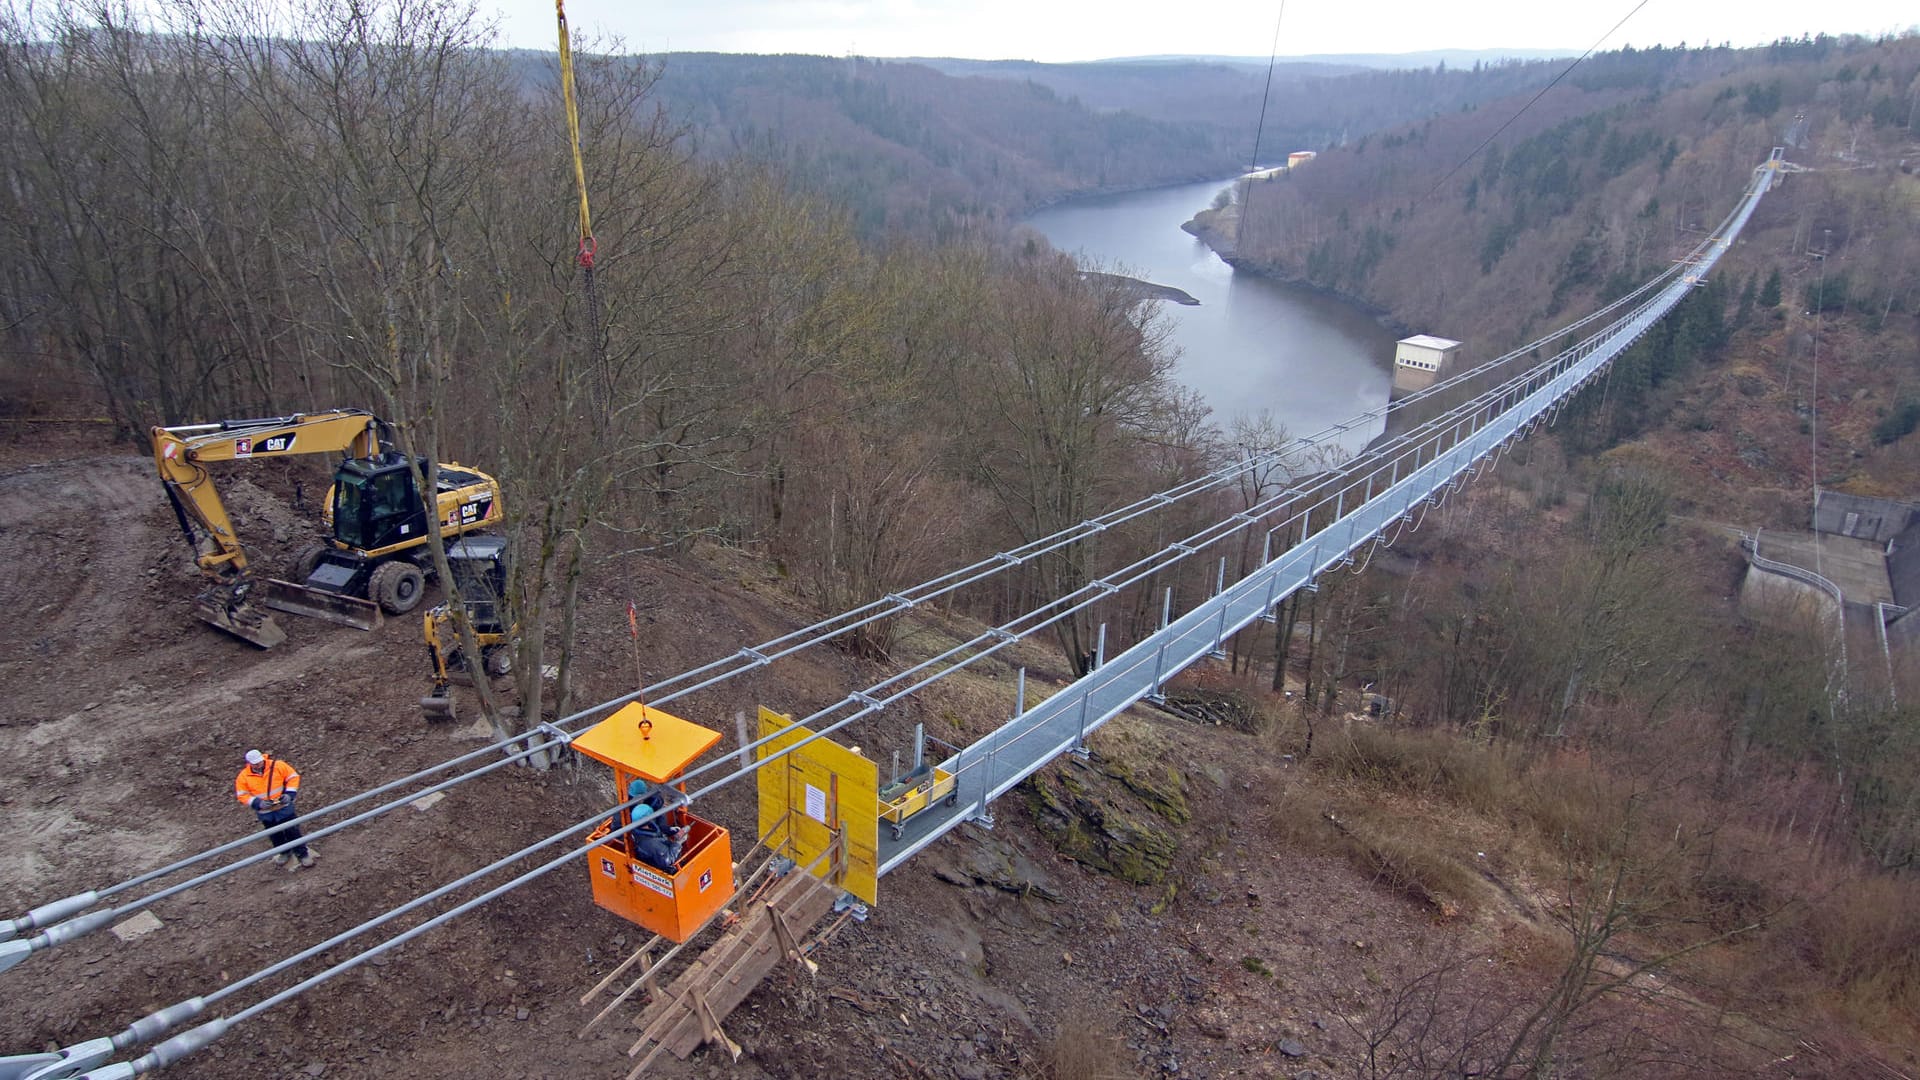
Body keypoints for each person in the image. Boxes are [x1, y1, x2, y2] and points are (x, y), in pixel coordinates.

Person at [235, 749, 315, 870]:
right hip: (266, 812)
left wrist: (289, 794)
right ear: (249, 763)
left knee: (292, 831)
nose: (258, 765)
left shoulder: (278, 766)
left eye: (259, 762)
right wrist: (258, 803)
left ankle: (302, 854)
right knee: (275, 834)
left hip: (284, 807)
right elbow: (242, 795)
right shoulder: (243, 777)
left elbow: (293, 777)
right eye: (255, 763)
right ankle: (284, 852)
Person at [627, 780, 685, 873]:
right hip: (663, 868)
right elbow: (668, 859)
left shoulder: (643, 828)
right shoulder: (649, 844)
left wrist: (669, 830)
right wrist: (678, 843)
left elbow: (658, 829)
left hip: (662, 848)